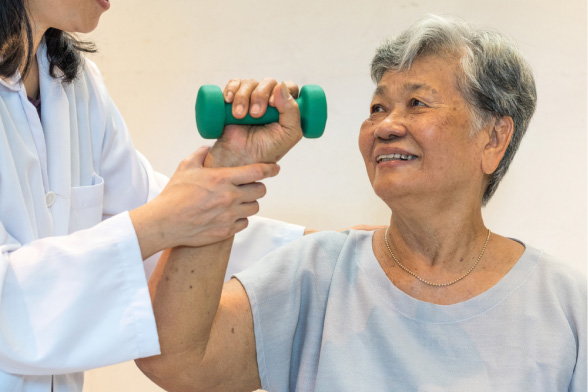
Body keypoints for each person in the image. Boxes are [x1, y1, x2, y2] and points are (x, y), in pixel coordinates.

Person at [136, 15, 587, 391]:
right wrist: (230, 166)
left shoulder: (564, 306)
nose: (386, 126)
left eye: (416, 102)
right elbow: (176, 361)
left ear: (494, 138)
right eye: (377, 108)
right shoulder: (315, 275)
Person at [0, 1, 313, 391]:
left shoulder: (75, 83)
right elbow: (155, 222)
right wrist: (161, 222)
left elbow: (149, 212)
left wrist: (322, 254)